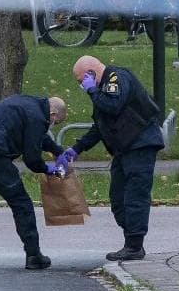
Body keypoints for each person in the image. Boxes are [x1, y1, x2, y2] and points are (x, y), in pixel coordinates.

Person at [58, 55, 164, 262]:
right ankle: (132, 239)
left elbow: (113, 106)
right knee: (118, 199)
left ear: (91, 73)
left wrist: (92, 90)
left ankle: (134, 246)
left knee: (134, 197)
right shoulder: (102, 91)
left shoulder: (116, 78)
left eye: (82, 80)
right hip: (125, 149)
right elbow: (101, 125)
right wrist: (76, 149)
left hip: (140, 145)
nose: (82, 86)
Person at [0, 94, 67, 270]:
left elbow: (38, 136)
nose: (52, 125)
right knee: (22, 204)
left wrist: (58, 151)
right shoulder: (38, 117)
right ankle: (33, 255)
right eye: (56, 122)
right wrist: (48, 169)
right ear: (53, 114)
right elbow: (32, 159)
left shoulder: (28, 104)